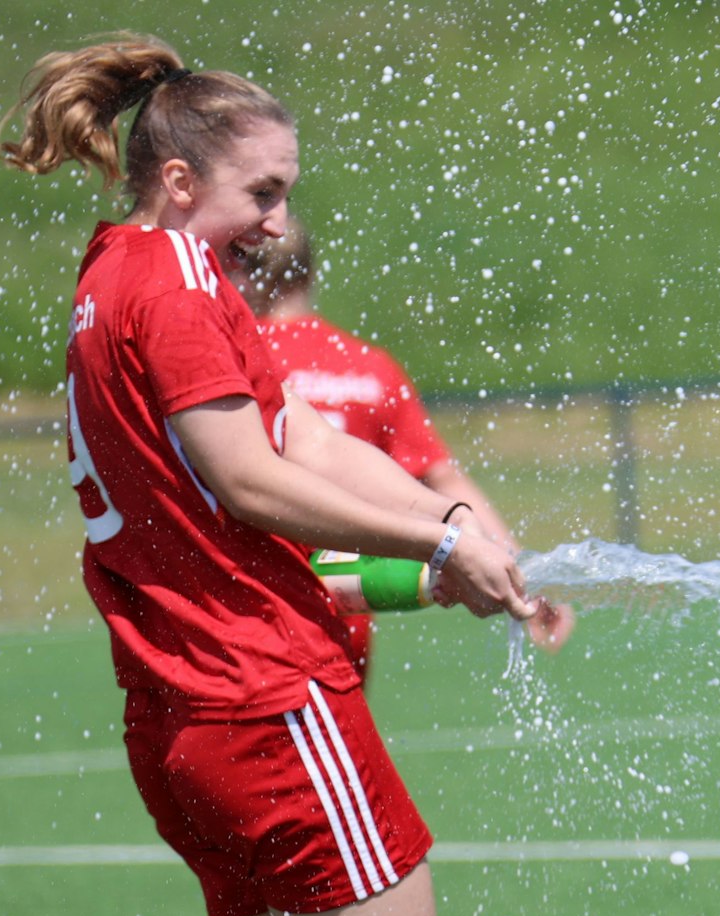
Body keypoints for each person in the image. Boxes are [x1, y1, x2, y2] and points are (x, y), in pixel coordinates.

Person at [0, 35, 537, 916]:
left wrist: (452, 517)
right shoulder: (179, 286)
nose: (280, 223)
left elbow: (304, 440)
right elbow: (252, 479)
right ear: (182, 180)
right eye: (265, 191)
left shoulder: (118, 271)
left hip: (186, 711)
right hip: (269, 696)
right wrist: (436, 548)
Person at [227, 215, 573, 680]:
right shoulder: (369, 367)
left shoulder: (236, 358)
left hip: (244, 614)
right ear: (310, 272)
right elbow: (443, 478)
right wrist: (516, 572)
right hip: (344, 612)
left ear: (242, 270)